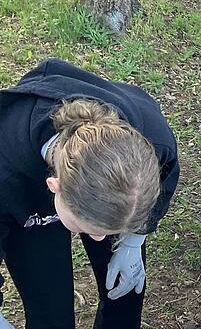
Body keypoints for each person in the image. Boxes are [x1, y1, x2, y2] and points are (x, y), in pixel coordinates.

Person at [0, 58, 179, 329]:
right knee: (50, 312)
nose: (100, 238)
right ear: (53, 187)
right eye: (90, 228)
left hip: (94, 190)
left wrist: (132, 241)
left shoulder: (150, 140)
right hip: (18, 198)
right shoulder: (5, 171)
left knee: (125, 295)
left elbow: (164, 179)